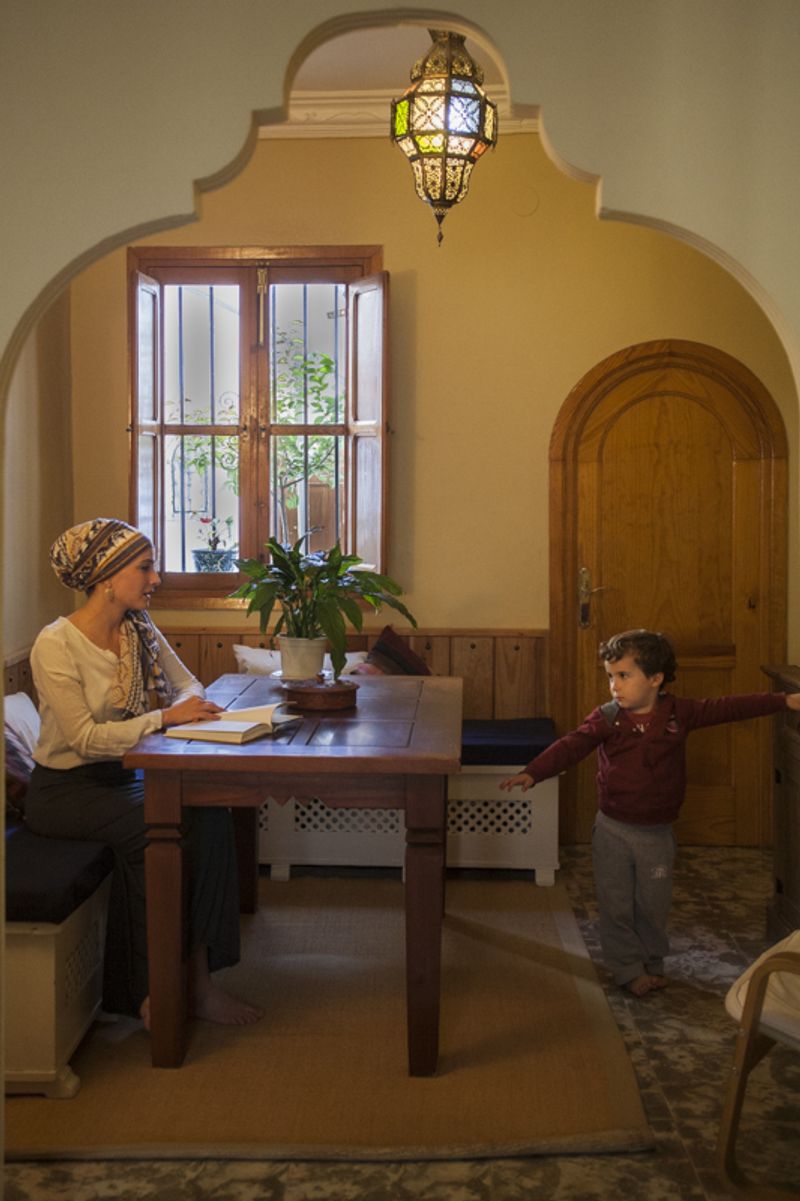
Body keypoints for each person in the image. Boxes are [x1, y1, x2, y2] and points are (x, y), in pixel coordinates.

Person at [25, 517, 262, 1029]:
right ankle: (147, 993)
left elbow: (188, 684)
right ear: (107, 576)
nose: (157, 579)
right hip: (65, 791)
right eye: (146, 568)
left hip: (124, 775)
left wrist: (182, 707)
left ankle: (201, 985)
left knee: (213, 815)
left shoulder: (138, 630)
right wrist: (165, 719)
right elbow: (85, 739)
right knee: (154, 831)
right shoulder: (56, 644)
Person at [500, 629, 800, 997]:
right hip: (612, 830)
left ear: (656, 679)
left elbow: (729, 707)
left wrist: (783, 701)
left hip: (657, 835)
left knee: (652, 905)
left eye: (623, 676)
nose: (614, 685)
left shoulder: (679, 714)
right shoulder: (608, 719)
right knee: (616, 905)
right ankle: (627, 968)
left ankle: (652, 962)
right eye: (610, 676)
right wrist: (534, 771)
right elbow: (571, 745)